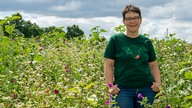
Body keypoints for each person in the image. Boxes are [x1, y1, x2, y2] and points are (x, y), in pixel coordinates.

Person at [104, 4, 161, 108]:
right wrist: (110, 86)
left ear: (140, 20)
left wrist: (158, 84)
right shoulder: (115, 40)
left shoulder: (146, 41)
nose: (132, 21)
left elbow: (153, 64)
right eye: (128, 19)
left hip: (146, 89)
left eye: (135, 18)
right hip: (122, 90)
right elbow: (109, 64)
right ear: (123, 21)